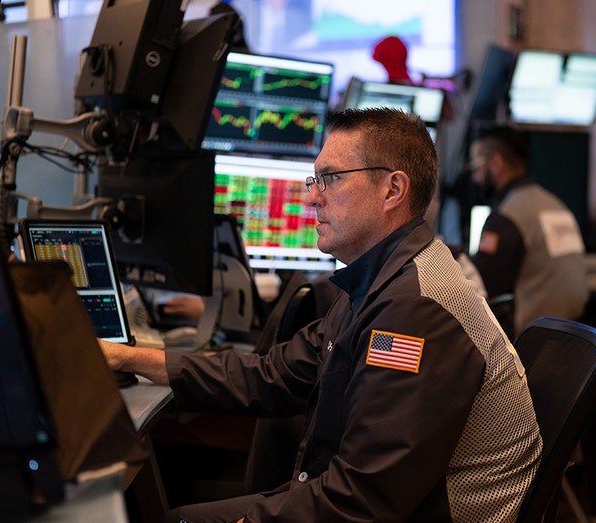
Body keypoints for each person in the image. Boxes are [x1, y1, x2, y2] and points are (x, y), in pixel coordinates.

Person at [101, 108, 541, 522]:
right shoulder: (381, 280)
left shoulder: (415, 309)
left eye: (329, 178)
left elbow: (363, 501)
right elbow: (272, 373)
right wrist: (129, 358)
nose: (312, 198)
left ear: (393, 189)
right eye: (314, 180)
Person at [469, 126, 589, 334]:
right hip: (572, 336)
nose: (475, 177)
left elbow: (481, 284)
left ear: (496, 163)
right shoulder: (556, 205)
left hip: (529, 341)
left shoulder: (508, 216)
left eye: (477, 166)